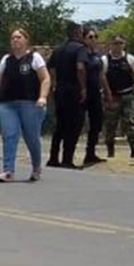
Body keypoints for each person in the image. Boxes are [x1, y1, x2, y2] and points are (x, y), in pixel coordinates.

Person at [0, 28, 49, 183]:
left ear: (26, 40)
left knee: (31, 137)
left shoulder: (34, 58)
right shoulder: (6, 60)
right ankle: (8, 170)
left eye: (19, 37)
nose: (15, 40)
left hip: (30, 103)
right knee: (9, 135)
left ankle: (36, 167)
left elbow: (45, 79)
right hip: (8, 103)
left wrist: (42, 97)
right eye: (13, 38)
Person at [47, 22, 88, 169]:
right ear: (77, 33)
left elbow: (50, 67)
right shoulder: (80, 49)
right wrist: (83, 88)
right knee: (74, 125)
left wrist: (53, 83)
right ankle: (67, 159)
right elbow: (80, 68)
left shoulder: (58, 49)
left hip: (60, 89)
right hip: (74, 89)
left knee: (60, 125)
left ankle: (53, 158)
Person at [102, 35, 134, 159]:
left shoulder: (130, 59)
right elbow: (102, 77)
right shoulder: (105, 60)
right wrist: (107, 93)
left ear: (124, 44)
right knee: (110, 124)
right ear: (110, 44)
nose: (118, 46)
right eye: (115, 43)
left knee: (131, 122)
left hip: (127, 95)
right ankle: (110, 149)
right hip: (112, 96)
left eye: (120, 43)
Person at [81, 28, 112, 166]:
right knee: (78, 123)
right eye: (90, 37)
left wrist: (107, 91)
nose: (93, 39)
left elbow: (101, 75)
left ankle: (90, 153)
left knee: (97, 123)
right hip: (82, 92)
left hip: (95, 93)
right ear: (84, 39)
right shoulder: (81, 54)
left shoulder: (97, 56)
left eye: (95, 37)